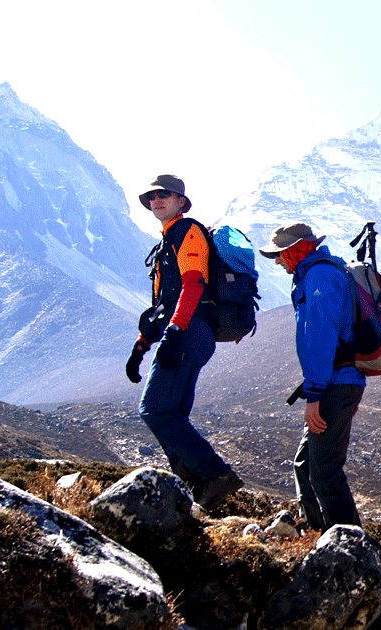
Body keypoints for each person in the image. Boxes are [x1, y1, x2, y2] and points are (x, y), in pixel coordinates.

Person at [125, 175, 243, 510]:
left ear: (181, 202)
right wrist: (141, 346)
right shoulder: (168, 240)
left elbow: (193, 285)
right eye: (152, 196)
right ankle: (193, 486)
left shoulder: (187, 232)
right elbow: (164, 303)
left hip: (190, 331)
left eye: (165, 194)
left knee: (155, 409)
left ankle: (216, 475)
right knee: (173, 413)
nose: (157, 199)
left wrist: (175, 332)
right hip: (188, 331)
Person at [259, 223, 366, 531]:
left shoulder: (319, 276)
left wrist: (315, 395)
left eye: (280, 254)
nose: (277, 261)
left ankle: (350, 547)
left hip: (333, 383)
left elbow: (320, 337)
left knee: (323, 471)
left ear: (298, 249)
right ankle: (320, 535)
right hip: (340, 381)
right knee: (306, 465)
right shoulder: (320, 272)